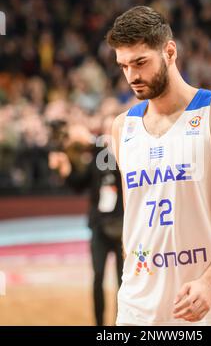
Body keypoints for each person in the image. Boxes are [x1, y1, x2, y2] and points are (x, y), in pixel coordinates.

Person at [107, 6, 211, 326]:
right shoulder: (122, 127)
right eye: (124, 66)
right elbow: (133, 220)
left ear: (170, 52)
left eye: (140, 62)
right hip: (139, 310)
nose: (132, 75)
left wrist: (210, 281)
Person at [49, 118, 124, 326]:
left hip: (123, 227)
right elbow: (79, 185)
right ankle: (99, 325)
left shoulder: (120, 150)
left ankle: (121, 324)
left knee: (123, 281)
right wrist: (65, 167)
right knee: (97, 277)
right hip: (99, 226)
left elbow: (107, 149)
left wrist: (89, 138)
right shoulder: (96, 156)